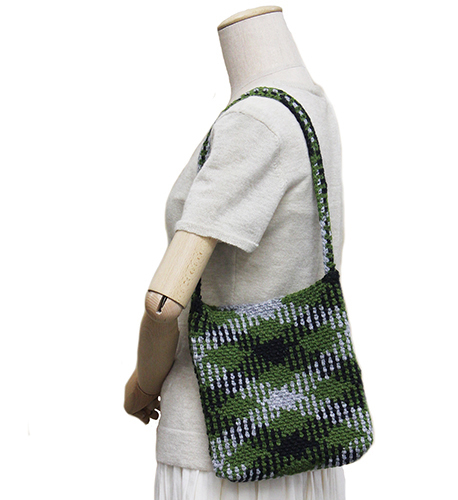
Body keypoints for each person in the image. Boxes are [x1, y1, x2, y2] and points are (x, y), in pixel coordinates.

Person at [124, 6, 347, 499]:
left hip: (218, 446)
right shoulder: (313, 106)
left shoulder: (255, 121)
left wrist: (143, 383)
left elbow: (164, 302)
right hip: (308, 420)